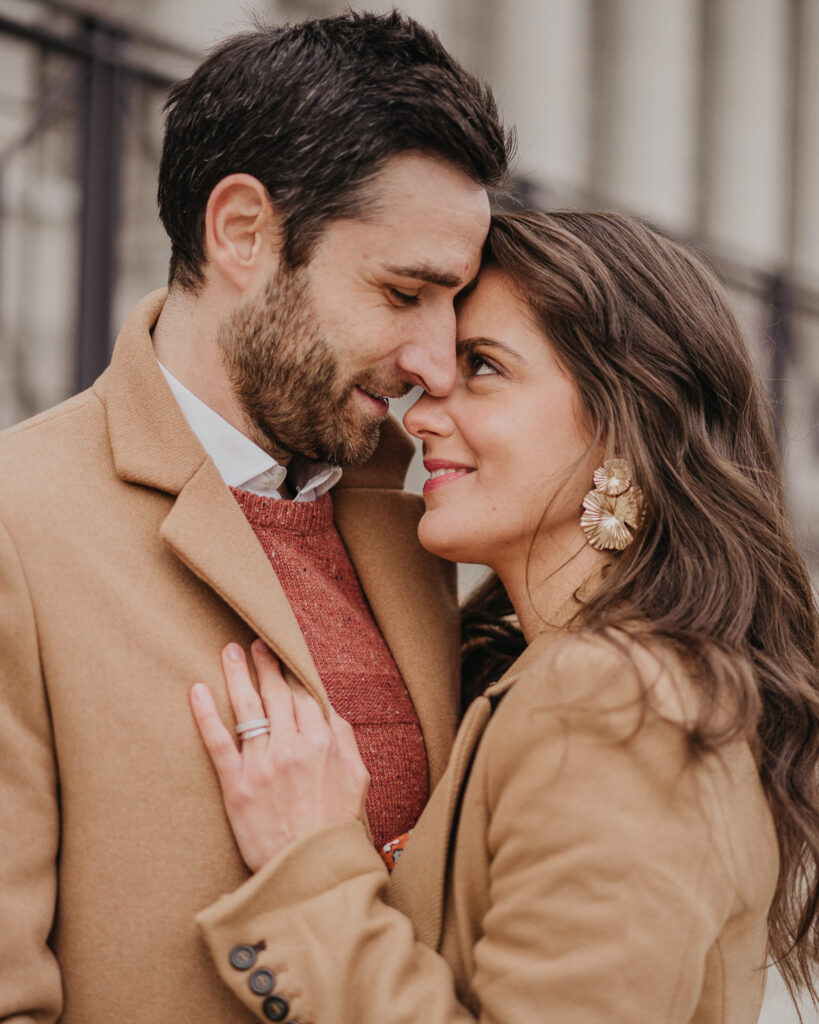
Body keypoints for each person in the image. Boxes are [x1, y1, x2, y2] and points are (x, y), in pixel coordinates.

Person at [0, 13, 512, 1023]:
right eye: (403, 292)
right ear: (241, 230)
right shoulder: (20, 521)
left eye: (453, 305)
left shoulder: (420, 519)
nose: (437, 363)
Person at [191, 210, 819, 1024]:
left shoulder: (616, 703)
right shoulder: (555, 672)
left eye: (483, 366)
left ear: (627, 423)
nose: (419, 414)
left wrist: (311, 874)